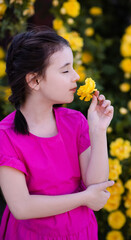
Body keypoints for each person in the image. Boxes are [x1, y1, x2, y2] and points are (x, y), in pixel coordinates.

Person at [0, 26, 114, 240]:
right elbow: (22, 207)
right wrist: (83, 198)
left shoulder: (75, 121)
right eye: (65, 70)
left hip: (81, 232)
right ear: (34, 80)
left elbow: (96, 187)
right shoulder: (6, 136)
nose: (77, 76)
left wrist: (98, 130)